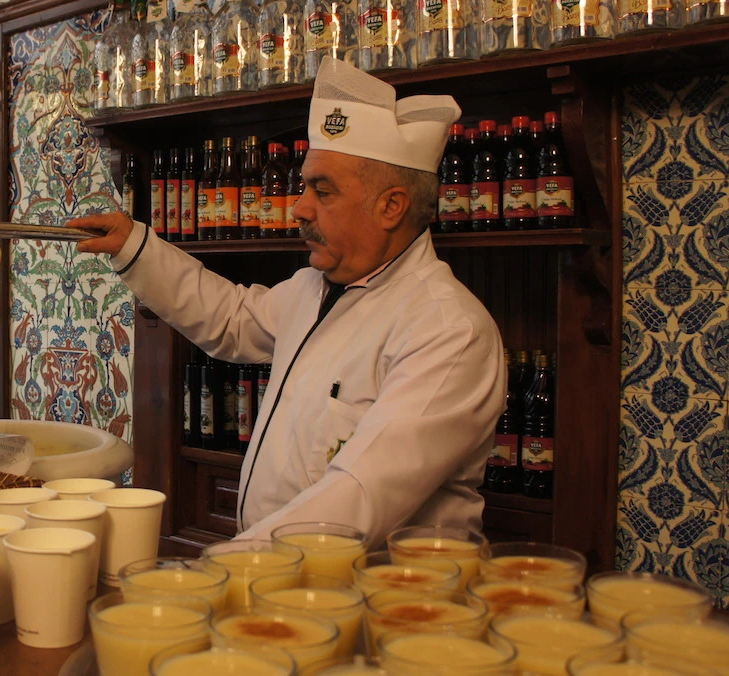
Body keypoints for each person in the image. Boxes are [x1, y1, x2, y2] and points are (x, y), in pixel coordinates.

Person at [69, 59, 506, 548]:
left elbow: (359, 494)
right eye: (304, 187)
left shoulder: (448, 331)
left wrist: (232, 566)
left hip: (382, 605)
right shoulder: (311, 288)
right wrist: (135, 246)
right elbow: (231, 319)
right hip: (281, 580)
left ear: (391, 206)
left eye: (323, 190)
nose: (299, 207)